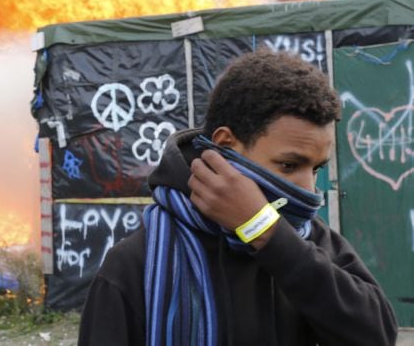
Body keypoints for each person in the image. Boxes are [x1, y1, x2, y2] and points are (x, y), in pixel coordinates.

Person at [77, 50, 398, 345]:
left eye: (317, 169)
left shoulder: (312, 241)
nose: (307, 190)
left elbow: (376, 336)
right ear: (226, 147)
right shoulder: (135, 265)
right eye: (289, 165)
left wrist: (267, 233)